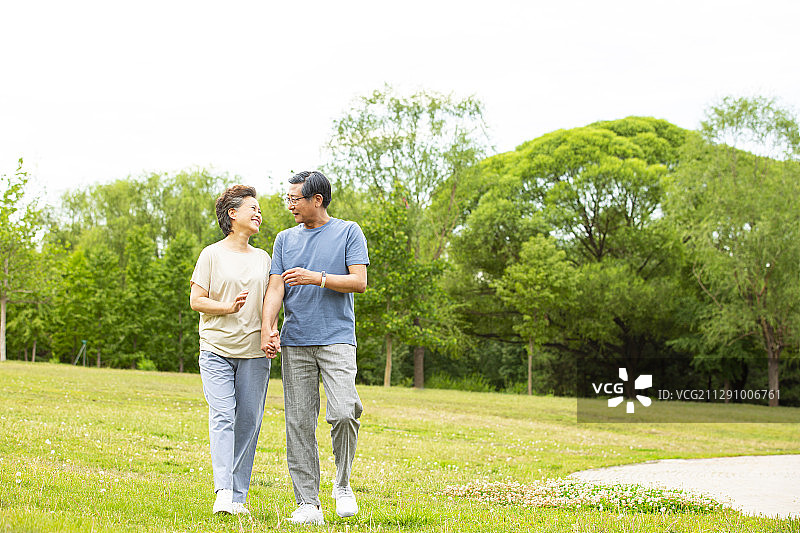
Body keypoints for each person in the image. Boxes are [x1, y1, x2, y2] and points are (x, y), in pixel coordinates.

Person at [261, 171, 369, 526]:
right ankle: (308, 503)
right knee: (299, 422)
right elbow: (275, 288)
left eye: (295, 199)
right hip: (296, 342)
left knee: (344, 411)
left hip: (337, 338)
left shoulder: (348, 231)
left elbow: (359, 281)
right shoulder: (284, 240)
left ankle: (342, 484)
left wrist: (316, 277)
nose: (290, 206)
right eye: (288, 199)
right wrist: (268, 326)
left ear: (317, 199)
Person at [189, 185, 277, 516]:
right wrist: (227, 307)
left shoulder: (263, 258)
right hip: (216, 349)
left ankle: (238, 496)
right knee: (223, 415)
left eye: (259, 210)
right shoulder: (211, 255)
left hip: (255, 353)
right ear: (232, 213)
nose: (258, 214)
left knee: (248, 422)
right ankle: (223, 491)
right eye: (253, 208)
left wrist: (271, 331)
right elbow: (196, 300)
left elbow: (270, 302)